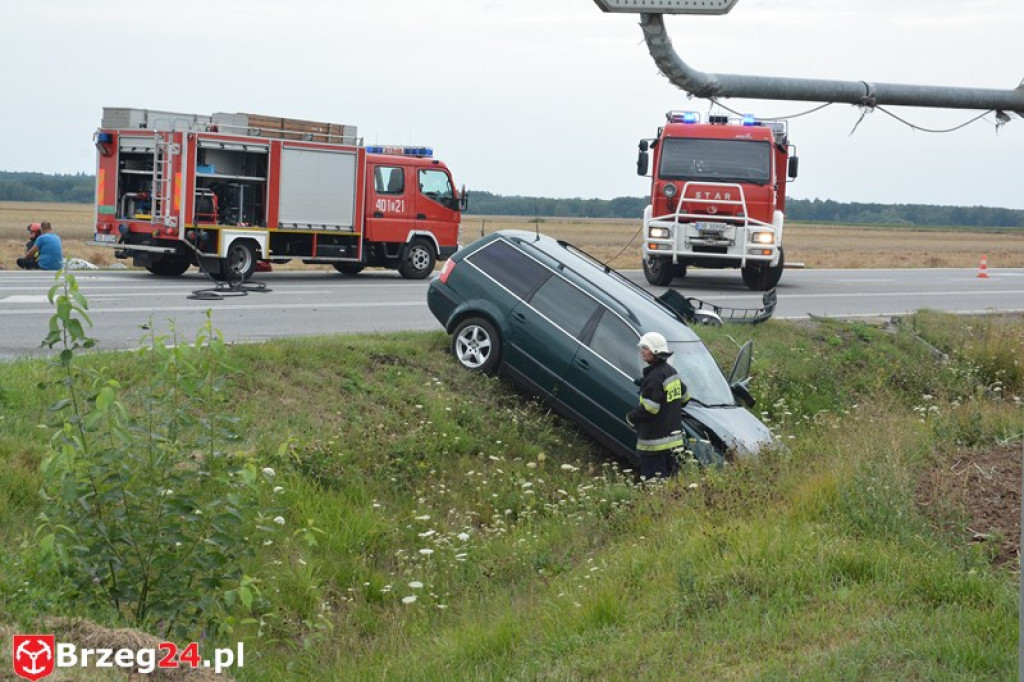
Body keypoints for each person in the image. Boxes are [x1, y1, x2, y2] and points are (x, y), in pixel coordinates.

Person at [626, 331, 690, 479]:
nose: (642, 351)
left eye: (645, 348)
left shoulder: (654, 377)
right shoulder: (671, 372)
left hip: (655, 445)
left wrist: (631, 417)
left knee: (654, 485)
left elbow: (650, 409)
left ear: (655, 352)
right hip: (673, 444)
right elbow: (685, 398)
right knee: (672, 484)